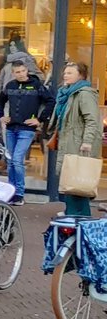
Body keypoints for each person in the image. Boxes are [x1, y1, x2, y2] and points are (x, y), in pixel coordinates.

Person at [0, 60, 54, 206]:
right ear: (13, 73)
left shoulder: (36, 85)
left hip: (27, 129)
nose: (21, 74)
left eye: (22, 71)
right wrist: (1, 115)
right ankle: (11, 192)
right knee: (10, 161)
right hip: (11, 128)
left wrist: (40, 120)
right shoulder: (10, 86)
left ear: (26, 70)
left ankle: (19, 194)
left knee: (16, 160)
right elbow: (1, 100)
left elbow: (51, 102)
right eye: (17, 72)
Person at [53, 61, 100, 218]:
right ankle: (71, 212)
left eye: (70, 73)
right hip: (67, 140)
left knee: (77, 179)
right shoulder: (66, 93)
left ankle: (80, 216)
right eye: (65, 73)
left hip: (78, 143)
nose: (65, 76)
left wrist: (87, 141)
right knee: (69, 178)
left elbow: (92, 120)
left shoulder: (84, 94)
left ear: (80, 75)